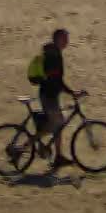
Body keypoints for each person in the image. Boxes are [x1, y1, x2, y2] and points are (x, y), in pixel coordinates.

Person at [35, 28, 82, 170]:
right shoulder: (54, 55)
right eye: (65, 38)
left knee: (58, 124)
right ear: (58, 39)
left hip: (50, 94)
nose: (67, 41)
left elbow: (56, 80)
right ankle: (30, 144)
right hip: (48, 96)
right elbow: (56, 80)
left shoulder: (54, 53)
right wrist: (72, 92)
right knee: (57, 124)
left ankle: (58, 157)